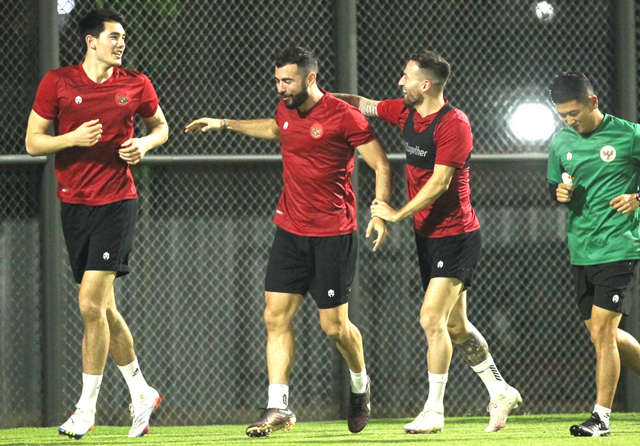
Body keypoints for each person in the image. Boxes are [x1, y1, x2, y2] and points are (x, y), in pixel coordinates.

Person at [186, 47, 392, 437]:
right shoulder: (286, 110)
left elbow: (380, 162)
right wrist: (224, 123)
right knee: (274, 316)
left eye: (288, 81)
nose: (281, 88)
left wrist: (379, 211)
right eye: (278, 80)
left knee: (334, 328)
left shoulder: (343, 117)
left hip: (333, 234)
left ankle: (360, 384)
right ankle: (278, 406)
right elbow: (274, 126)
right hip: (290, 231)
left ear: (310, 79)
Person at [334, 50, 521, 434]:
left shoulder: (454, 124)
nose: (399, 82)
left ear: (425, 84)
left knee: (430, 318)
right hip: (428, 236)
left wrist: (395, 213)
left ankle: (434, 411)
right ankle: (500, 389)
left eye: (406, 77)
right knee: (457, 327)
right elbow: (364, 105)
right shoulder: (404, 112)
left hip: (457, 235)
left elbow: (440, 184)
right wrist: (321, 98)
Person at [25, 9, 168, 440]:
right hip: (74, 205)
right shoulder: (58, 83)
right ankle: (141, 392)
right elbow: (33, 142)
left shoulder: (136, 83)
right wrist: (70, 138)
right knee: (103, 309)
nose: (121, 42)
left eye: (123, 36)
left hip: (117, 203)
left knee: (89, 304)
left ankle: (85, 410)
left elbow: (160, 127)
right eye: (113, 36)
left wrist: (144, 142)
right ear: (90, 41)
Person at [547, 72, 640, 437]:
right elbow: (557, 185)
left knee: (603, 332)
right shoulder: (560, 143)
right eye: (562, 115)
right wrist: (561, 194)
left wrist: (638, 198)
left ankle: (600, 418)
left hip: (619, 245)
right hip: (581, 250)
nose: (570, 121)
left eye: (574, 113)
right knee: (606, 337)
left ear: (593, 102)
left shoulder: (629, 134)